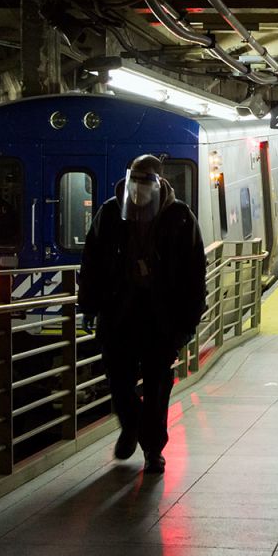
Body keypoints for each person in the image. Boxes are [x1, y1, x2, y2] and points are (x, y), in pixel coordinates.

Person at [78, 155, 206, 473]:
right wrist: (89, 306)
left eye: (145, 181)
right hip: (118, 314)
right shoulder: (109, 213)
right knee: (119, 381)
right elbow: (91, 262)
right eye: (134, 181)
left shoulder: (180, 218)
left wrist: (189, 320)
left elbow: (194, 272)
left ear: (159, 182)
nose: (138, 190)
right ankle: (131, 425)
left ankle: (153, 449)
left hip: (161, 319)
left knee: (157, 386)